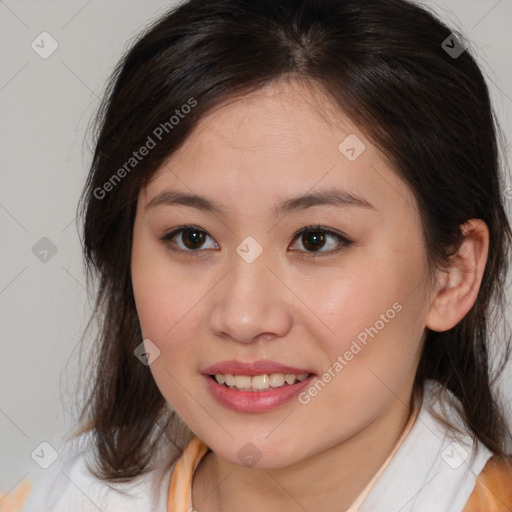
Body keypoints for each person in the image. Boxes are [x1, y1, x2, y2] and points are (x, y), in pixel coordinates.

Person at [3, 0, 512, 510]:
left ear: (453, 274)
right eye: (192, 237)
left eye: (317, 239)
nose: (243, 317)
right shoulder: (52, 496)